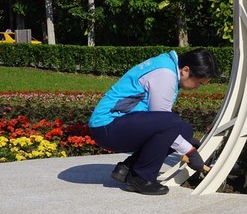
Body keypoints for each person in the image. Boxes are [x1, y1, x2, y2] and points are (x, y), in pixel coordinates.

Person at [89, 48, 221, 195]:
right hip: (107, 127)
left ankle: (128, 168)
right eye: (199, 83)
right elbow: (165, 122)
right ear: (185, 70)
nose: (197, 88)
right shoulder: (165, 74)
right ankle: (142, 177)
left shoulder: (167, 65)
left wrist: (186, 142)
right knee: (173, 123)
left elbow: (163, 125)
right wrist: (189, 151)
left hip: (116, 124)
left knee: (185, 130)